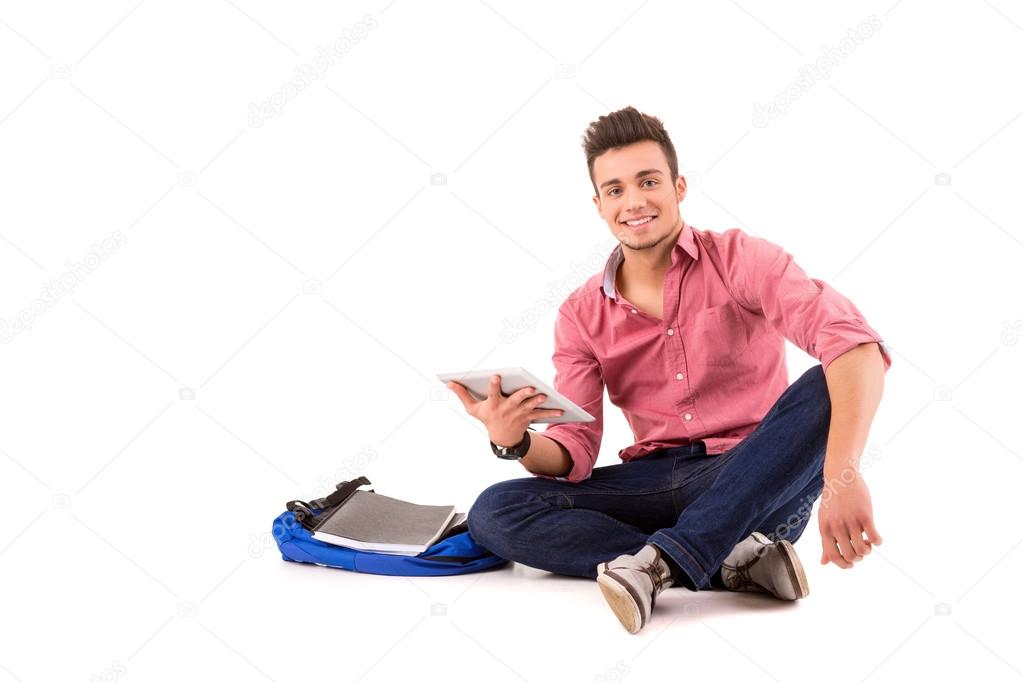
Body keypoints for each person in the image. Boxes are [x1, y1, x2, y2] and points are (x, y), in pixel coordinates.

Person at [447, 106, 890, 634]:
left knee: (825, 384)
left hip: (750, 473)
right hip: (651, 482)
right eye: (614, 190)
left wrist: (843, 477)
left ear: (678, 186)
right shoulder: (581, 314)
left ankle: (663, 563)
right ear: (598, 205)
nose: (634, 202)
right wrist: (516, 441)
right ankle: (721, 559)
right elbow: (574, 454)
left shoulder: (742, 259)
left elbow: (857, 347)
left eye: (648, 181)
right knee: (496, 510)